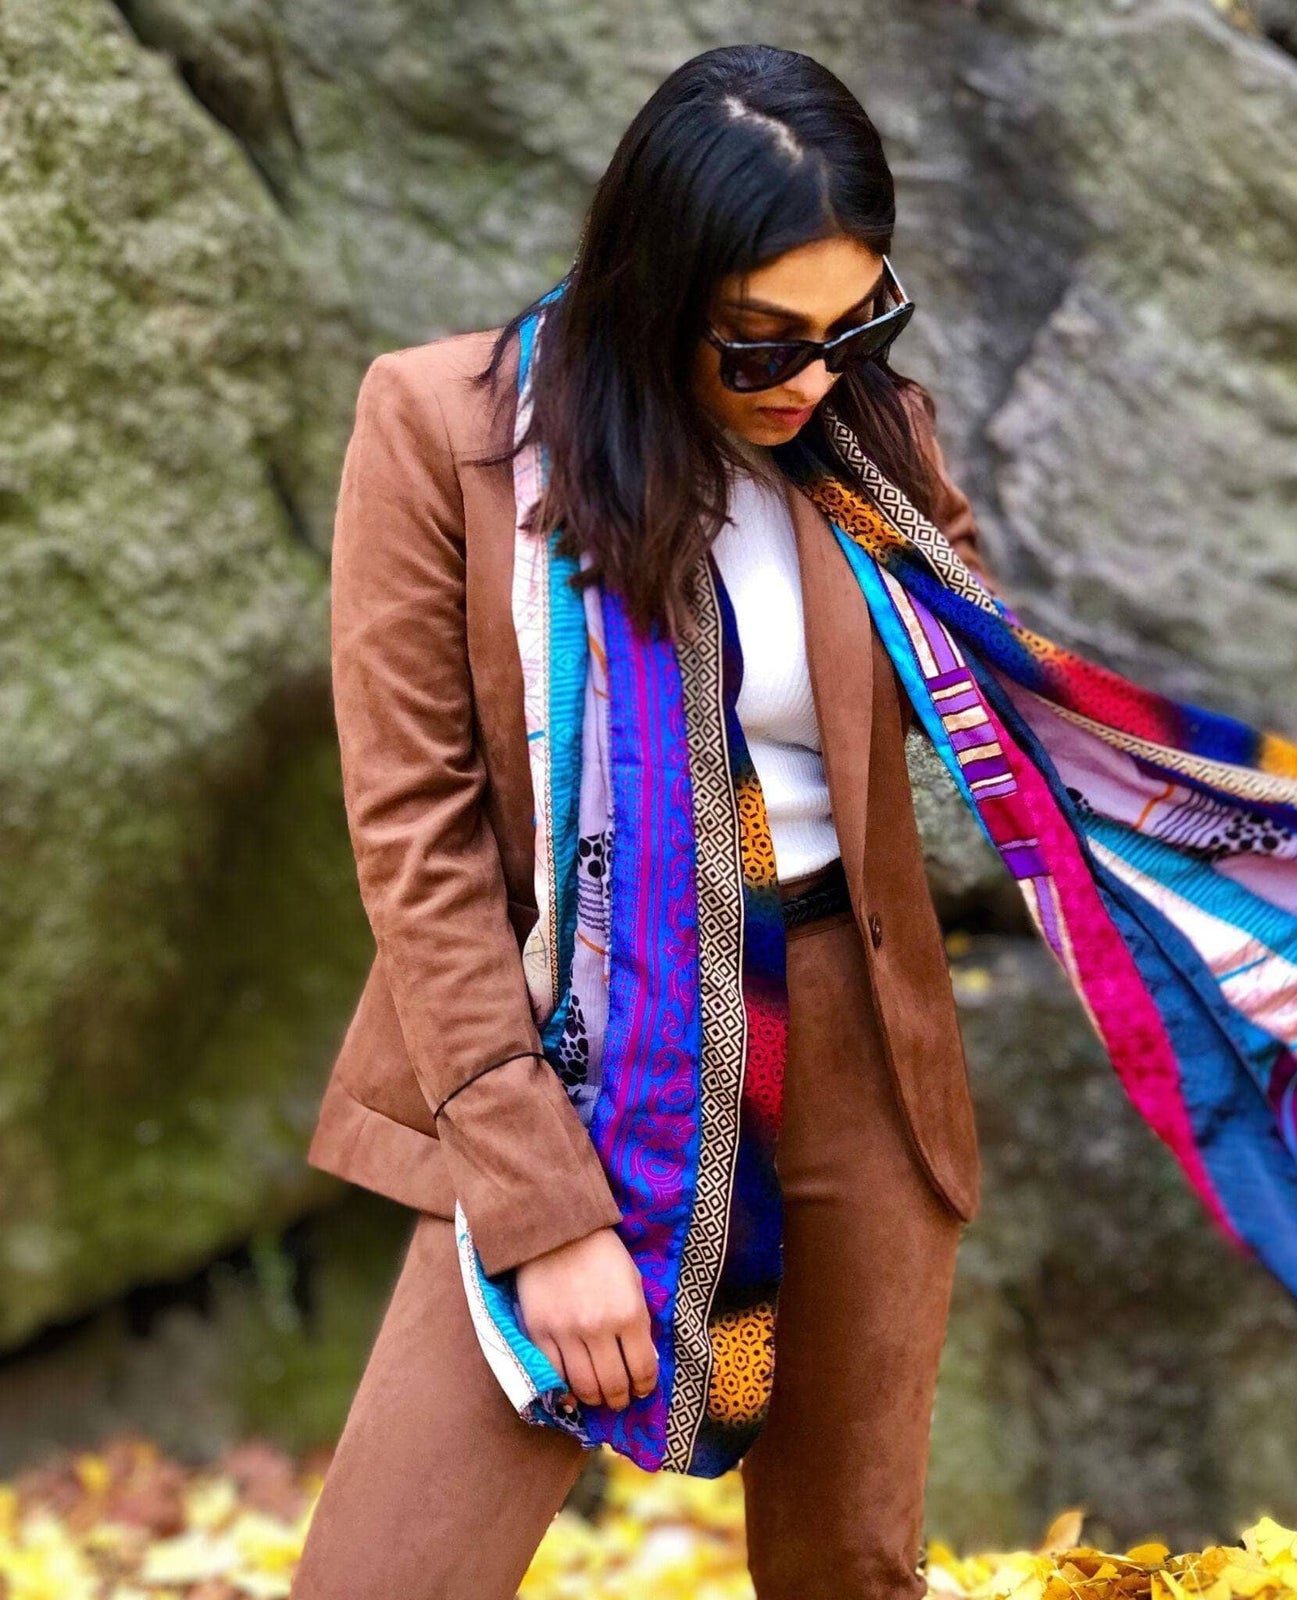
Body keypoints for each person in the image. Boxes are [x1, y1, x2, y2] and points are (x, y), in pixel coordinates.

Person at [292, 42, 1000, 1600]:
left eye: (855, 324)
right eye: (760, 345)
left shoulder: (860, 440)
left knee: (849, 1577)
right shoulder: (445, 437)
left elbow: (991, 676)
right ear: (651, 291)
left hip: (852, 1036)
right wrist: (545, 1216)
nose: (812, 378)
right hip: (570, 1038)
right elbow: (419, 852)